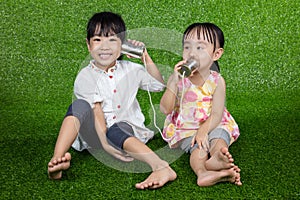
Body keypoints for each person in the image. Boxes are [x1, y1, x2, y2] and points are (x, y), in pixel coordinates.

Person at [47, 11, 176, 189]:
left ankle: (161, 166)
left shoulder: (132, 68)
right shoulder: (85, 76)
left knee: (116, 128)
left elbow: (158, 85)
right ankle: (57, 159)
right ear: (88, 45)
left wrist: (145, 56)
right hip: (95, 134)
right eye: (98, 40)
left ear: (122, 45)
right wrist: (106, 146)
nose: (104, 47)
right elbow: (96, 111)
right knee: (78, 106)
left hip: (124, 132)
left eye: (112, 40)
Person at [160, 22, 242, 186]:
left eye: (200, 48)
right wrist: (173, 83)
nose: (191, 53)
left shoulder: (217, 80)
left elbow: (217, 114)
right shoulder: (177, 79)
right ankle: (202, 172)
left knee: (219, 137)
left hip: (213, 122)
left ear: (216, 54)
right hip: (186, 127)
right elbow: (165, 109)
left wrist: (204, 130)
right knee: (197, 147)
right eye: (187, 47)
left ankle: (218, 157)